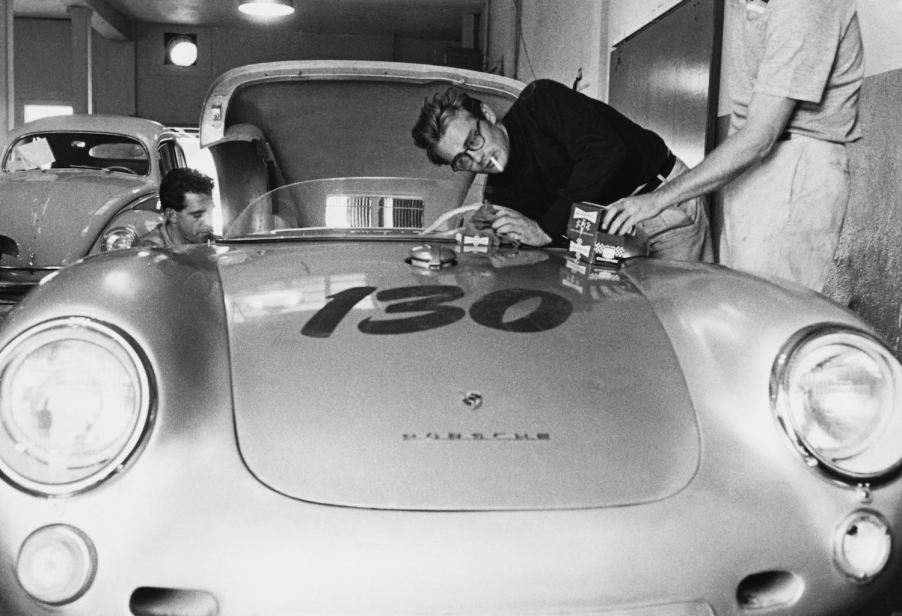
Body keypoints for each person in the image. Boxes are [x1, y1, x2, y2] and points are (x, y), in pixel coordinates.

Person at [602, 0, 863, 293]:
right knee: (740, 301)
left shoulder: (801, 7)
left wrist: (659, 199)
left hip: (793, 163)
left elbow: (760, 136)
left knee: (769, 307)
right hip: (753, 167)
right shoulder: (749, 6)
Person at [411, 78, 712, 261]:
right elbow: (546, 242)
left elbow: (605, 152)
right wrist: (494, 234)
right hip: (609, 236)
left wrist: (544, 229)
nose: (477, 158)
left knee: (679, 319)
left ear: (487, 115)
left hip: (660, 206)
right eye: (462, 160)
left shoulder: (540, 102)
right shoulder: (500, 192)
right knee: (638, 325)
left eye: (473, 140)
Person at [140, 167, 217, 247]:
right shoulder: (149, 251)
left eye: (210, 212)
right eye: (197, 215)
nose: (208, 223)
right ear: (171, 215)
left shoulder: (216, 244)